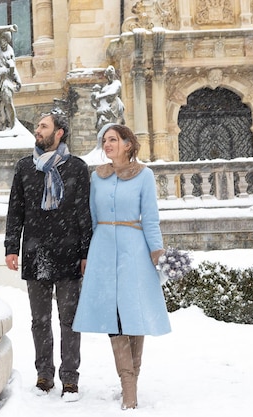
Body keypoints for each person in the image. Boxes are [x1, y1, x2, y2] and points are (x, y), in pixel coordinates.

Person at [72, 123, 171, 410]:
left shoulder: (145, 176)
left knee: (133, 313)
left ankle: (132, 385)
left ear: (128, 144)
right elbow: (90, 219)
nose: (107, 144)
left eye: (113, 139)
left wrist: (157, 252)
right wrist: (86, 255)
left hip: (134, 251)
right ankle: (128, 386)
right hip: (102, 250)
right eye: (104, 140)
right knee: (113, 316)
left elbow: (150, 218)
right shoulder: (98, 177)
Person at [4, 110, 93, 401]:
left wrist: (85, 252)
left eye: (43, 126)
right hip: (36, 251)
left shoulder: (77, 168)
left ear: (59, 133)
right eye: (37, 126)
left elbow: (84, 213)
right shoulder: (25, 167)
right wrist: (11, 247)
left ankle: (70, 379)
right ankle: (44, 375)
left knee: (69, 319)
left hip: (69, 251)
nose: (37, 130)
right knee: (39, 320)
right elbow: (15, 210)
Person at [0, 24, 22, 131]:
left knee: (8, 100)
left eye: (5, 39)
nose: (3, 42)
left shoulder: (10, 51)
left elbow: (13, 67)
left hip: (6, 79)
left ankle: (13, 124)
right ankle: (2, 126)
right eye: (1, 39)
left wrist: (18, 80)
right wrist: (8, 28)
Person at [91, 65, 125, 132]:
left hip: (113, 105)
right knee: (101, 126)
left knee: (113, 126)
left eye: (111, 75)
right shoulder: (105, 86)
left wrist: (100, 96)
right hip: (104, 107)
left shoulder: (117, 83)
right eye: (108, 75)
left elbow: (113, 92)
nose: (110, 77)